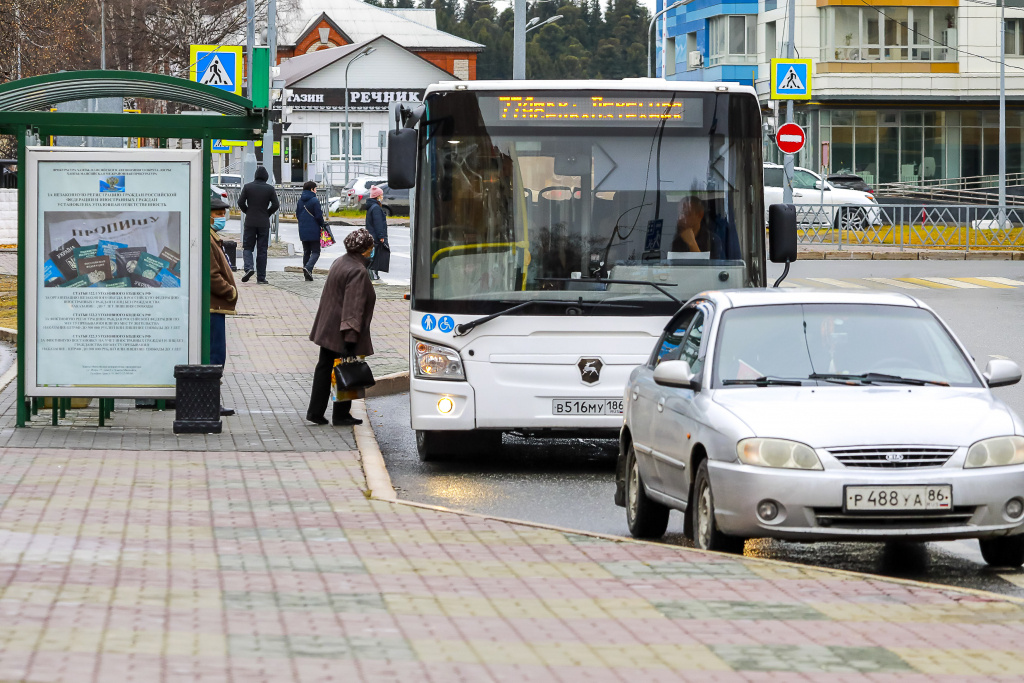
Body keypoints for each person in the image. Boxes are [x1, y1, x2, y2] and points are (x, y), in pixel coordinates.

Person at [305, 228, 377, 426]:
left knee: (324, 368)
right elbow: (353, 307)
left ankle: (315, 411)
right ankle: (341, 414)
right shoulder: (358, 270)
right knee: (345, 368)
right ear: (364, 250)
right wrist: (350, 338)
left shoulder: (340, 261)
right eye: (371, 247)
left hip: (328, 326)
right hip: (341, 330)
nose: (372, 251)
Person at [209, 193, 238, 416]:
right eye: (217, 213)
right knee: (214, 355)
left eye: (223, 213)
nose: (221, 217)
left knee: (216, 354)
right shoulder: (208, 240)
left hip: (215, 307)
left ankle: (212, 399)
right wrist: (230, 292)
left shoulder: (212, 237)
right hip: (213, 306)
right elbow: (212, 276)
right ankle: (211, 401)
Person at [236, 165, 280, 284]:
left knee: (248, 247)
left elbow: (240, 202)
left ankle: (249, 268)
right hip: (263, 223)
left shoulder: (248, 187)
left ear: (255, 175)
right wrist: (267, 213)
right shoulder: (269, 189)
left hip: (250, 221)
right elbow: (276, 205)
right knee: (262, 250)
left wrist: (247, 211)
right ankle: (261, 277)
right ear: (266, 177)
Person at [297, 180, 329, 281]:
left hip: (302, 229)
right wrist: (322, 225)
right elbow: (318, 216)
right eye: (315, 189)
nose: (316, 191)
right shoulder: (314, 200)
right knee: (316, 252)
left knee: (306, 251)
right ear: (312, 189)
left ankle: (307, 274)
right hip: (314, 230)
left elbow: (297, 214)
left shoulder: (300, 200)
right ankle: (308, 268)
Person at [364, 185, 388, 281]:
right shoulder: (376, 208)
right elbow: (378, 223)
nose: (382, 197)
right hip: (376, 236)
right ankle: (372, 273)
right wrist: (381, 236)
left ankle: (372, 273)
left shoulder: (371, 207)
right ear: (377, 196)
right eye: (381, 195)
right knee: (375, 256)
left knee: (373, 254)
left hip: (372, 234)